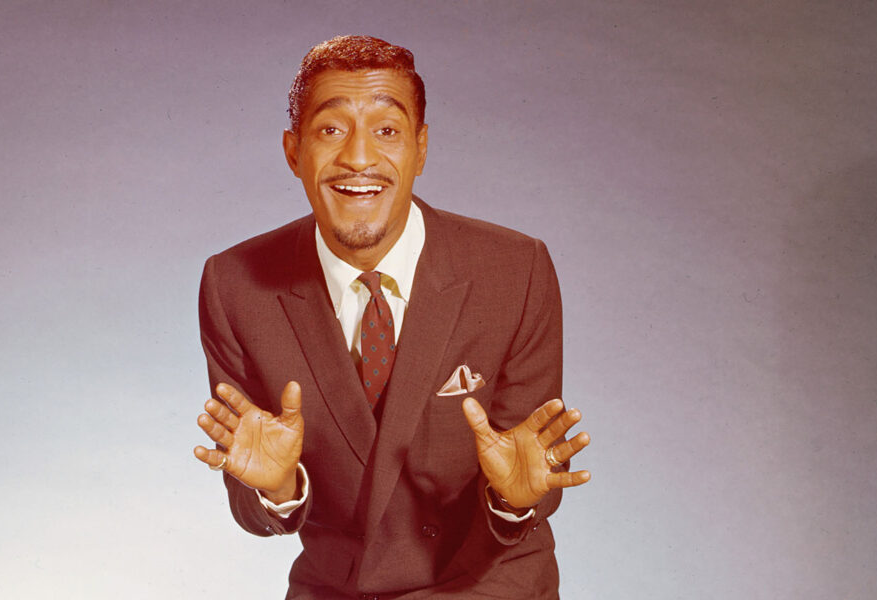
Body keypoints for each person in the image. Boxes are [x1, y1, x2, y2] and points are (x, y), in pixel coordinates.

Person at [193, 35, 590, 599]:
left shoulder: (514, 270)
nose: (359, 157)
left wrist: (512, 496)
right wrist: (278, 488)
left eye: (386, 130)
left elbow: (531, 473)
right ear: (293, 151)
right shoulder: (235, 284)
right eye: (331, 130)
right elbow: (251, 492)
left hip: (487, 585)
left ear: (420, 149)